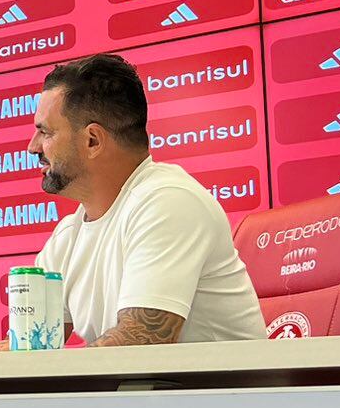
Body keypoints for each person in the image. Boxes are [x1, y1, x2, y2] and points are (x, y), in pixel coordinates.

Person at [20, 54, 265, 347]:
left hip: (219, 380)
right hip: (149, 380)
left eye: (45, 132)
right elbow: (29, 346)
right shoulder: (67, 236)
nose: (32, 147)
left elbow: (142, 343)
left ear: (92, 141)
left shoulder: (169, 202)